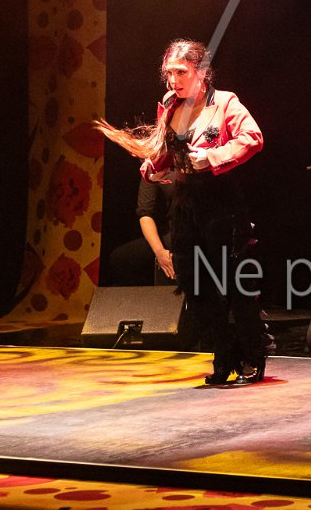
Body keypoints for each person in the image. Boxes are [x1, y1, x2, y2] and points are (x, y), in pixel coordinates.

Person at [95, 39, 266, 386]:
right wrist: (153, 167)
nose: (173, 80)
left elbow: (253, 137)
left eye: (181, 72)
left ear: (201, 72)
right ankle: (224, 356)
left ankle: (253, 354)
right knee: (193, 282)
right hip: (186, 204)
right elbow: (165, 152)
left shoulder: (225, 102)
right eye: (169, 73)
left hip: (221, 203)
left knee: (234, 283)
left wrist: (211, 157)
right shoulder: (170, 106)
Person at [104, 176, 177, 286]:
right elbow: (145, 214)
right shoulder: (153, 169)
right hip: (172, 234)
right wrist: (160, 252)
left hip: (197, 232)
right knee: (120, 259)